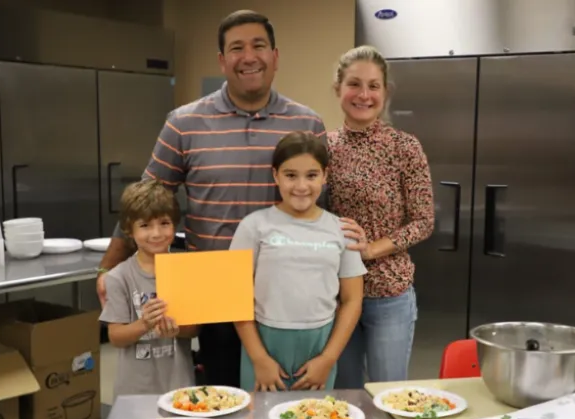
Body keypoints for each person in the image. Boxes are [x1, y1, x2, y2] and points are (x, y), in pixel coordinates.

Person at [94, 10, 349, 388]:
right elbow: (144, 200)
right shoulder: (184, 122)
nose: (249, 57)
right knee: (227, 392)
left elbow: (318, 203)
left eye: (258, 46)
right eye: (236, 48)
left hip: (285, 284)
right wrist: (108, 266)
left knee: (291, 395)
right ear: (222, 60)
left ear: (275, 57)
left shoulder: (306, 123)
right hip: (211, 281)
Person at [327, 45, 435, 389]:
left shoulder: (404, 147)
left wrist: (372, 250)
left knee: (387, 394)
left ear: (385, 92)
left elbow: (423, 220)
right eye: (354, 84)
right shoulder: (322, 146)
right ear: (338, 89)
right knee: (344, 395)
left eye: (374, 86)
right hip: (336, 293)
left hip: (389, 292)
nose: (364, 94)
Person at [230, 131, 366, 391]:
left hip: (320, 346)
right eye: (291, 175)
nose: (301, 186)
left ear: (325, 176)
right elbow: (236, 299)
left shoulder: (341, 229)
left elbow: (352, 300)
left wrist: (328, 359)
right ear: (275, 175)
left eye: (311, 175)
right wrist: (259, 358)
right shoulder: (254, 226)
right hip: (263, 344)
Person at [98, 180, 199, 399]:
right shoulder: (118, 277)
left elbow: (194, 330)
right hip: (135, 391)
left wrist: (177, 329)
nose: (156, 233)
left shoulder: (185, 271)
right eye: (145, 225)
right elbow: (115, 336)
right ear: (129, 230)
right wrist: (144, 324)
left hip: (179, 386)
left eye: (164, 223)